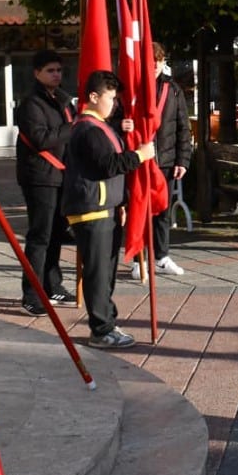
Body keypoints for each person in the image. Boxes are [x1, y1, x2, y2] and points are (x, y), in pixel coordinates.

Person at [62, 71, 156, 349]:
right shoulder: (87, 129)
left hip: (107, 208)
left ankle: (107, 322)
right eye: (111, 97)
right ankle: (101, 329)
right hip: (92, 210)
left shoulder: (102, 126)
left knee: (106, 272)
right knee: (98, 273)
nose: (115, 103)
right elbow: (108, 165)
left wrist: (122, 202)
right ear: (93, 97)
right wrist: (140, 155)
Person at [15, 50, 78, 314]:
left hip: (61, 176)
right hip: (40, 176)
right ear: (37, 73)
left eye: (59, 70)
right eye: (50, 70)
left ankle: (53, 285)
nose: (56, 75)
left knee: (56, 235)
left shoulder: (62, 100)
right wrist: (72, 128)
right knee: (40, 236)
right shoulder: (31, 103)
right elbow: (41, 139)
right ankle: (31, 294)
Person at [132, 43, 190, 280]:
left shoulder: (173, 90)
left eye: (159, 59)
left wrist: (182, 160)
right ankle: (139, 259)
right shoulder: (133, 89)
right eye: (150, 59)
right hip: (138, 160)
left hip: (165, 161)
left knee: (162, 211)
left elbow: (183, 128)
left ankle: (162, 256)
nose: (155, 64)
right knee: (139, 210)